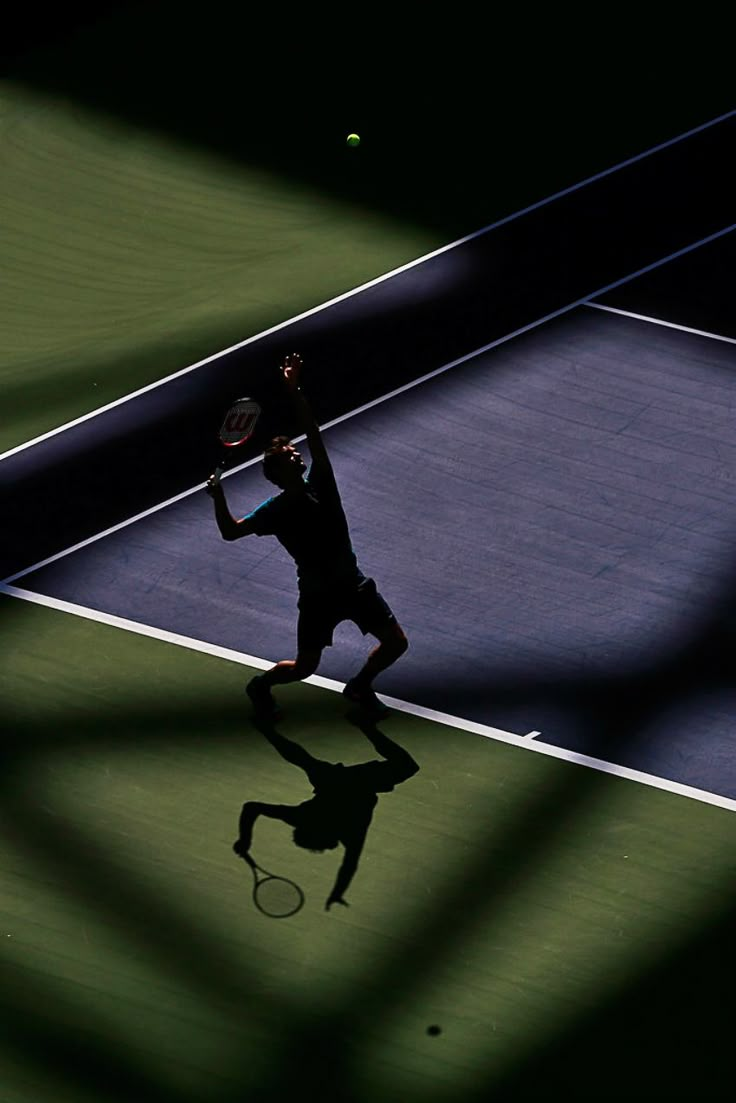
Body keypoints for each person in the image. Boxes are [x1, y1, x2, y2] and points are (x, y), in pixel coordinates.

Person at [206, 352, 408, 717]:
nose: (298, 454)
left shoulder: (323, 483)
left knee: (396, 643)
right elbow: (230, 532)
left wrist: (294, 389)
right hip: (317, 599)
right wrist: (219, 498)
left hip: (353, 584)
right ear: (278, 470)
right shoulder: (275, 511)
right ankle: (261, 684)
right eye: (290, 454)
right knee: (304, 668)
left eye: (296, 451)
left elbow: (312, 431)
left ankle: (360, 686)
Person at [233, 718, 419, 910]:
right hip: (333, 781)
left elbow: (349, 865)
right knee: (304, 761)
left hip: (357, 785)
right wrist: (245, 839)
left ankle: (366, 724)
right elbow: (252, 807)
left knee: (408, 767)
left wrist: (337, 893)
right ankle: (267, 729)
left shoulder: (350, 832)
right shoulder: (301, 819)